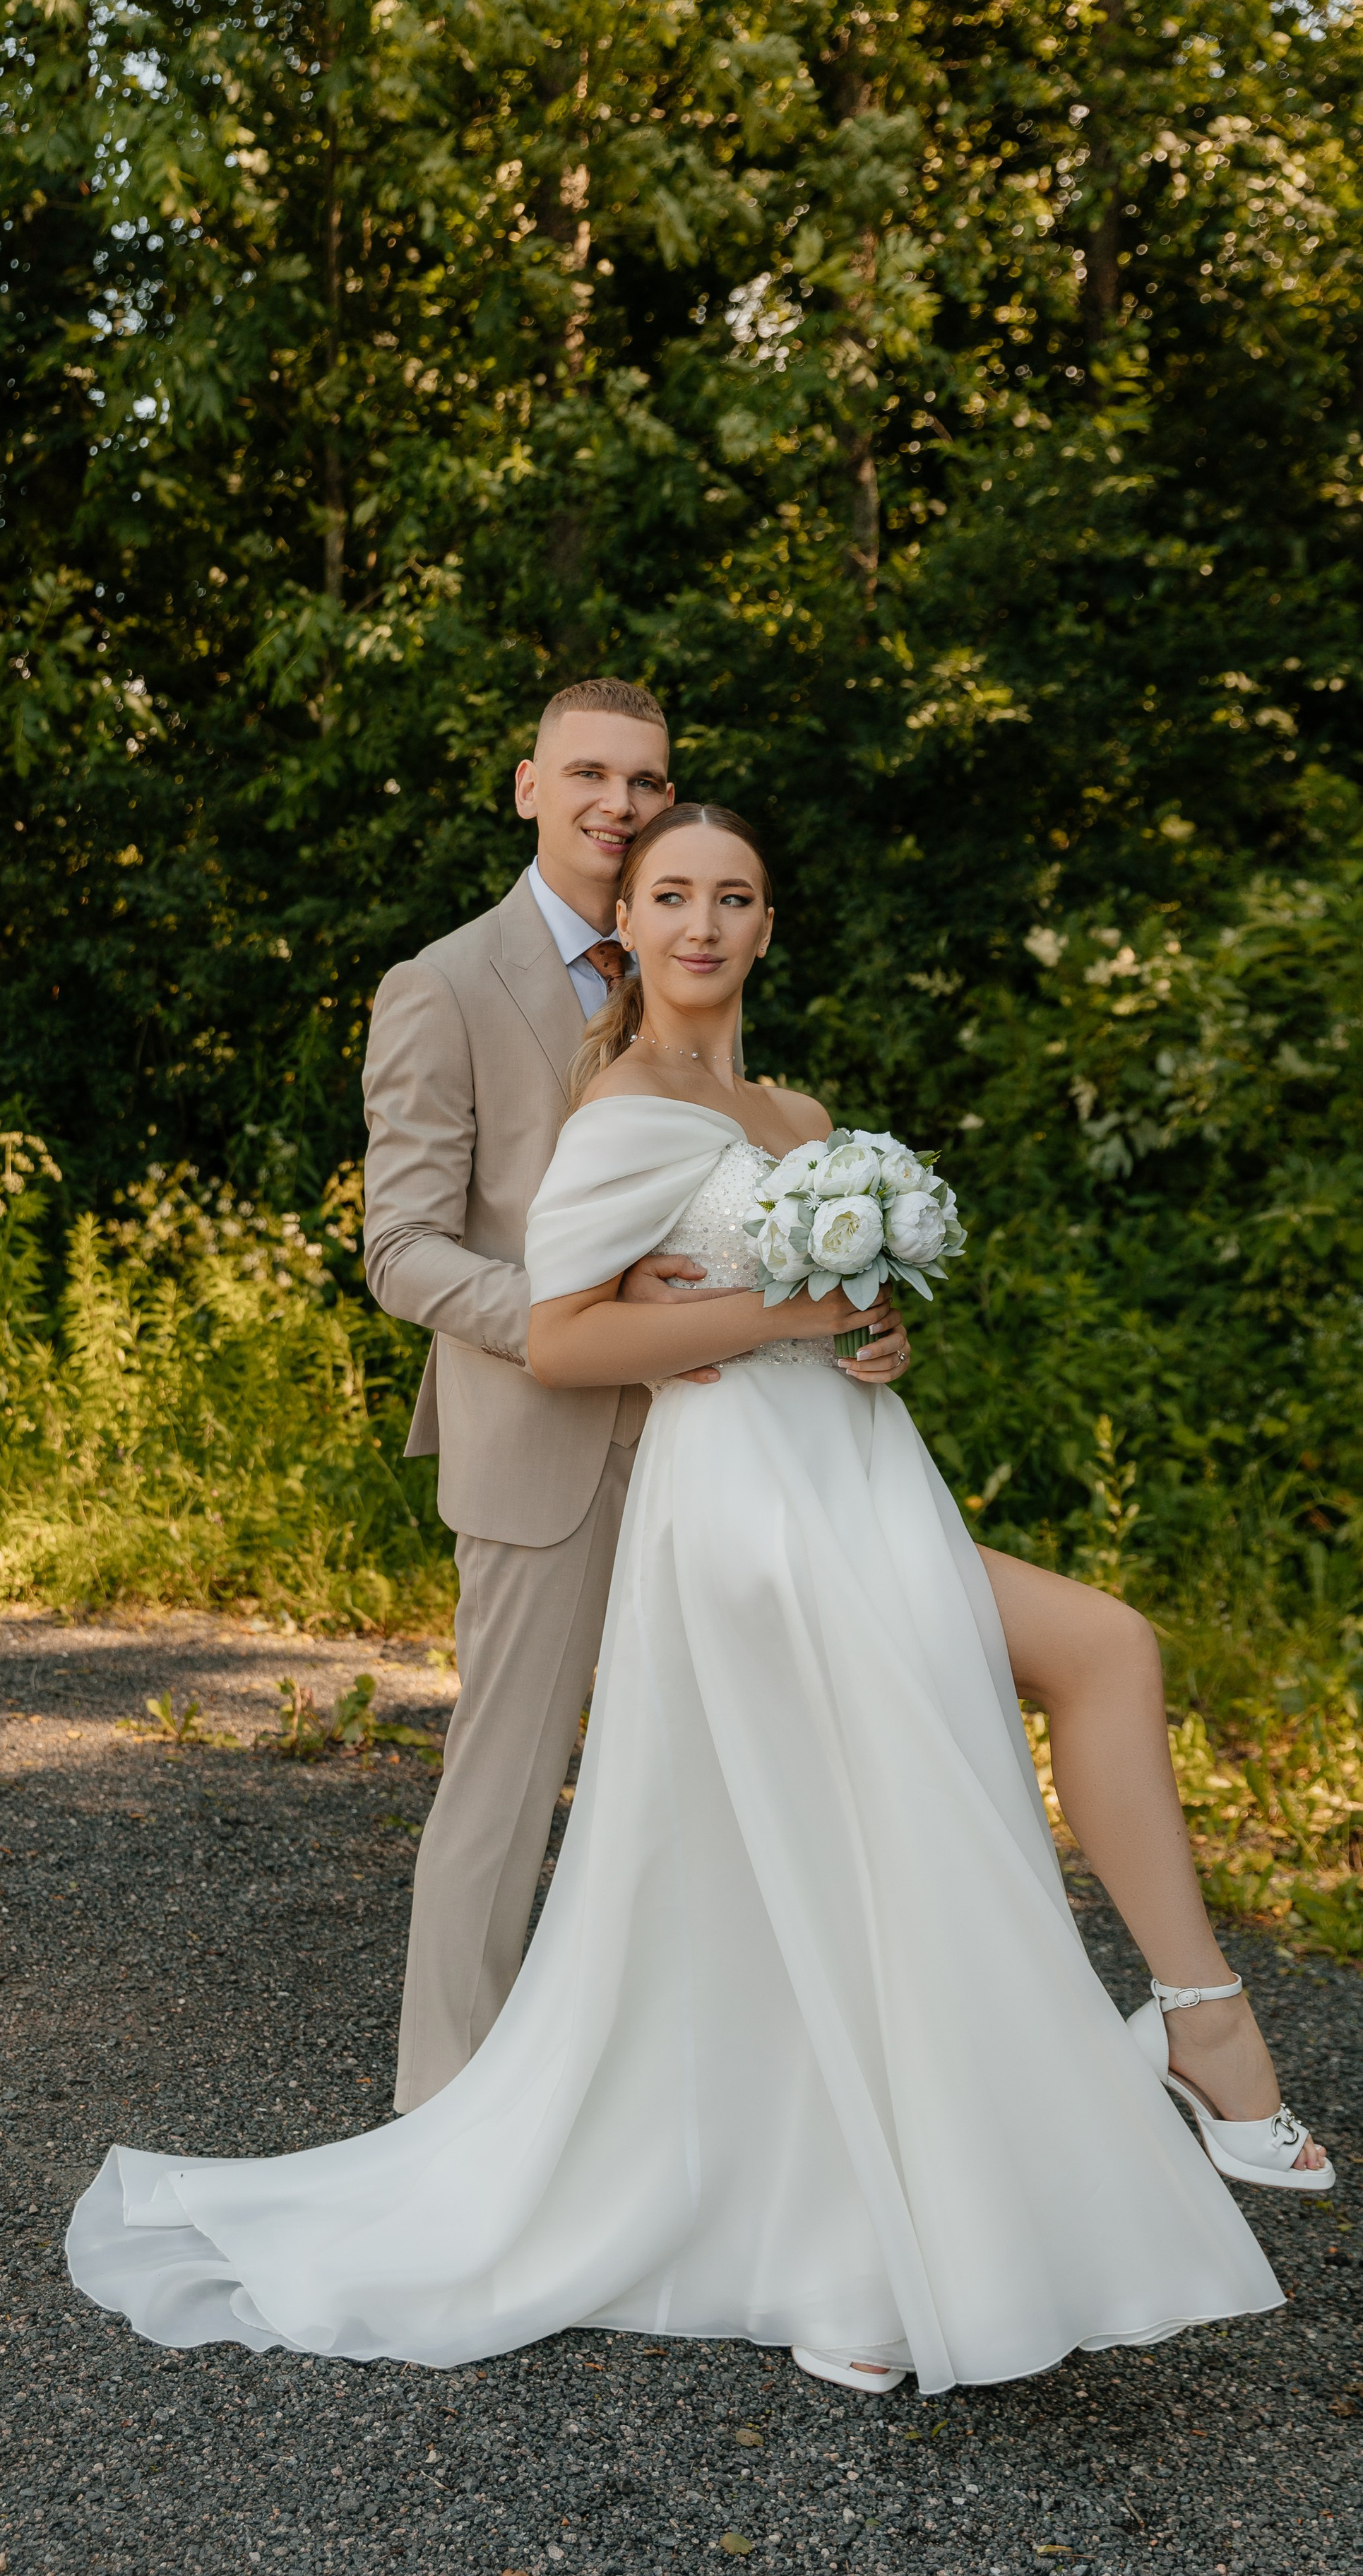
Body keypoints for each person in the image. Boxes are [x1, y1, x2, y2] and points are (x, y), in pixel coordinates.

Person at [67, 802, 1328, 2395]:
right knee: (864, 1829)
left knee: (1079, 1666)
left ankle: (1131, 2055)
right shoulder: (617, 1110)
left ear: (764, 923)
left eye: (733, 896)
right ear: (633, 920)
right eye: (672, 895)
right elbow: (572, 1339)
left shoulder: (793, 1110)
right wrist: (787, 1303)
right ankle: (898, 2229)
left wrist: (876, 1336)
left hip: (859, 1466)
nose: (704, 923)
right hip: (742, 1504)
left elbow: (825, 1309)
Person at [358, 677, 913, 2113]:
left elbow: (764, 1213)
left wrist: (842, 1326)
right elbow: (402, 1247)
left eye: (647, 781)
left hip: (734, 1445)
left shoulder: (691, 958)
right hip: (546, 1440)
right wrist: (584, 1319)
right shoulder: (445, 983)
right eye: (589, 774)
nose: (620, 802)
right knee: (506, 1786)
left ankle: (695, 2115)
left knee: (727, 1780)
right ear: (526, 785)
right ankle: (442, 2119)